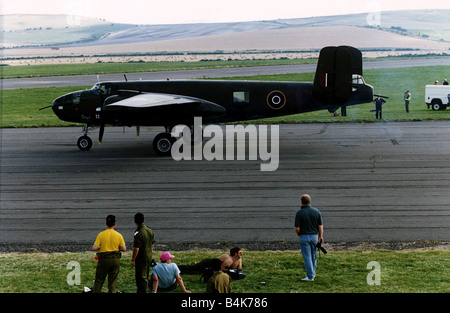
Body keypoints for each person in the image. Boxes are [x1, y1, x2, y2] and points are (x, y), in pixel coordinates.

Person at [92, 215, 127, 293]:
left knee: (99, 281)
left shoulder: (101, 234)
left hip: (103, 260)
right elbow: (124, 249)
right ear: (114, 224)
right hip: (115, 259)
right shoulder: (118, 235)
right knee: (112, 283)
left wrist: (100, 246)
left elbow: (94, 247)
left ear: (106, 223)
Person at [294, 194, 324, 281]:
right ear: (309, 201)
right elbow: (320, 226)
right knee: (313, 256)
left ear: (301, 202)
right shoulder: (316, 212)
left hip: (304, 236)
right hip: (314, 236)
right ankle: (312, 273)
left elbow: (297, 228)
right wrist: (320, 236)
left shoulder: (299, 213)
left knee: (307, 257)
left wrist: (299, 234)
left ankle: (310, 276)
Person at [130, 212, 156, 293]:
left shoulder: (138, 233)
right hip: (149, 256)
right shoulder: (149, 230)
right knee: (146, 274)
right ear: (143, 220)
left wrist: (133, 260)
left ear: (135, 221)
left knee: (141, 277)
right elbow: (152, 244)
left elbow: (136, 248)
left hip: (141, 258)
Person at [178, 247, 244, 277]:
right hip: (208, 263)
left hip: (213, 267)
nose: (241, 253)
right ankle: (177, 268)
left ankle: (180, 271)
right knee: (192, 268)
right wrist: (230, 271)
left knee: (196, 272)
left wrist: (238, 273)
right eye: (240, 252)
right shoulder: (228, 260)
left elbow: (239, 269)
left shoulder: (239, 259)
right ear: (235, 254)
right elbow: (220, 270)